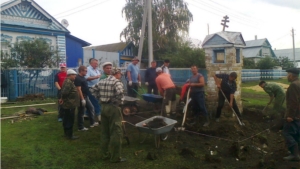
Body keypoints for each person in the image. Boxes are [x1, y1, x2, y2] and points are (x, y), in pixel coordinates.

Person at [90, 67, 126, 163]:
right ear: (117, 73)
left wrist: (100, 98)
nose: (120, 75)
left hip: (103, 107)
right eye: (120, 73)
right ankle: (115, 157)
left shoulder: (102, 81)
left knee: (105, 132)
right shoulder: (116, 82)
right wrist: (115, 101)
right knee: (116, 132)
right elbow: (120, 93)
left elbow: (92, 90)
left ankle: (104, 154)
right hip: (113, 108)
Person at [282, 68, 300, 161]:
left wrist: (290, 116)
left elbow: (293, 102)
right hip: (298, 115)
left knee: (287, 132)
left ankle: (294, 154)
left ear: (291, 75)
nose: (287, 76)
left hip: (294, 115)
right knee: (297, 133)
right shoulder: (299, 83)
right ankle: (297, 152)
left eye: (287, 74)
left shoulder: (293, 85)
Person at [74, 66, 98, 131]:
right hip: (81, 97)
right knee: (81, 112)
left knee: (91, 108)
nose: (86, 72)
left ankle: (92, 123)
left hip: (85, 96)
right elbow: (79, 89)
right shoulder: (78, 78)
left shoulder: (83, 77)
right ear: (81, 71)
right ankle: (80, 127)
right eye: (85, 71)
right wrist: (82, 99)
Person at [59, 69, 79, 140]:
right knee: (70, 120)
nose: (75, 77)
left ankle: (66, 133)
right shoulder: (69, 82)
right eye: (74, 75)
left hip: (69, 103)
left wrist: (62, 99)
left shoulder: (69, 81)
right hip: (69, 104)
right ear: (70, 75)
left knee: (66, 119)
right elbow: (64, 92)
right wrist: (63, 99)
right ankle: (69, 135)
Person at [85, 58, 101, 124]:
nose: (96, 64)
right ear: (91, 63)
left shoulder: (97, 70)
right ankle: (99, 116)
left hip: (96, 88)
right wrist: (96, 77)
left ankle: (86, 114)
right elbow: (86, 78)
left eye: (97, 63)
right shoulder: (88, 69)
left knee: (91, 102)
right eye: (95, 63)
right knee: (96, 102)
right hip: (90, 88)